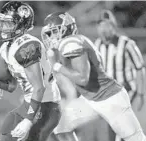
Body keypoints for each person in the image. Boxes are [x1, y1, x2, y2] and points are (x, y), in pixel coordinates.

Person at [41, 11, 146, 141]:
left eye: (55, 31)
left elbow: (83, 79)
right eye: (50, 33)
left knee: (136, 139)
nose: (51, 36)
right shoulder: (71, 44)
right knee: (59, 125)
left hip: (110, 99)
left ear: (66, 28)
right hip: (91, 100)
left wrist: (56, 66)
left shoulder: (71, 43)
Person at [0, 1, 61, 141]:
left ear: (21, 25)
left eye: (7, 24)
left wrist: (28, 120)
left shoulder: (26, 46)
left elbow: (39, 88)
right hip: (30, 102)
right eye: (1, 22)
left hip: (47, 104)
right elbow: (11, 86)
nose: (1, 27)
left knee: (29, 136)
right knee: (7, 131)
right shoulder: (5, 48)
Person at [95, 9, 146, 141]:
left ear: (113, 26)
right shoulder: (97, 45)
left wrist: (141, 93)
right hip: (108, 93)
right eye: (101, 25)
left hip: (127, 89)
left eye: (107, 25)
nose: (104, 29)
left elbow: (140, 68)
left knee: (118, 121)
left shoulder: (127, 44)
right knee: (114, 125)